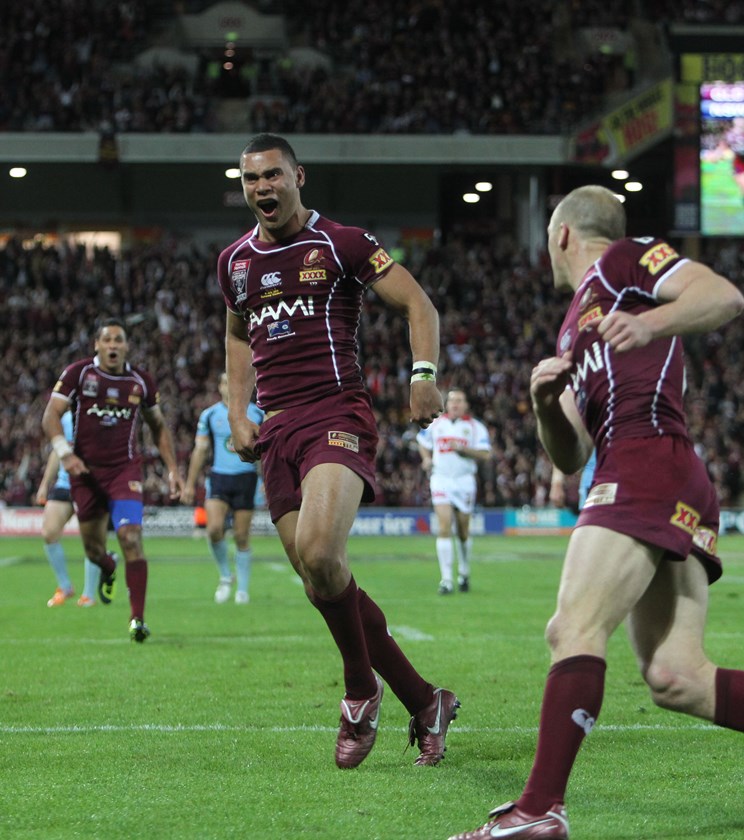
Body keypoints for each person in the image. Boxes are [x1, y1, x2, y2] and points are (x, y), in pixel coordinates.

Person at [449, 185, 744, 840]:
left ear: (561, 235)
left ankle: (538, 809)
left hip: (645, 461)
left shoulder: (622, 260)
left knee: (573, 627)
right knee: (677, 678)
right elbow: (569, 453)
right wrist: (543, 406)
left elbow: (723, 296)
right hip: (660, 471)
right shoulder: (574, 323)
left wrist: (652, 323)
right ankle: (540, 810)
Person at [218, 132, 459, 769]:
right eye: (251, 179)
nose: (262, 187)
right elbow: (237, 336)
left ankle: (359, 692)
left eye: (273, 175)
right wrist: (239, 411)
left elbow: (417, 302)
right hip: (277, 431)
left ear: (298, 177)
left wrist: (424, 374)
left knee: (322, 553)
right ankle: (425, 700)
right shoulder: (234, 262)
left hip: (335, 411)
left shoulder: (341, 242)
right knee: (320, 580)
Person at [41, 317, 184, 642]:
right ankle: (108, 566)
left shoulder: (140, 381)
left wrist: (173, 470)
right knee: (94, 551)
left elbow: (158, 426)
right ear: (97, 345)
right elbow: (50, 415)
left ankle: (137, 620)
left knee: (131, 537)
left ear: (127, 346)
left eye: (119, 340)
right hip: (85, 473)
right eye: (107, 340)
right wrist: (65, 454)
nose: (113, 345)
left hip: (124, 471)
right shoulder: (79, 374)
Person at [182, 372, 265, 604]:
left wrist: (267, 481)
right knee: (214, 529)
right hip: (219, 477)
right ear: (220, 387)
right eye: (226, 383)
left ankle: (243, 590)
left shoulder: (257, 414)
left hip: (246, 478)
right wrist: (189, 484)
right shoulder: (210, 415)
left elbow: (265, 452)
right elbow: (200, 450)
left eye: (234, 382)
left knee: (241, 536)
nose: (230, 387)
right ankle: (226, 576)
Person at [416, 388, 492, 594]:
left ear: (466, 405)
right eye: (452, 401)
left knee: (463, 531)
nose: (455, 404)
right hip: (440, 479)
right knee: (444, 527)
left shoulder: (476, 427)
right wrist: (426, 458)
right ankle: (446, 580)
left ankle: (464, 571)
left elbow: (486, 454)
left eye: (459, 400)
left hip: (464, 481)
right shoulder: (436, 424)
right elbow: (421, 441)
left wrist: (463, 450)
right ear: (446, 404)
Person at [35, 409, 101, 607]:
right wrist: (45, 484)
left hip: (91, 485)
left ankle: (88, 594)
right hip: (65, 484)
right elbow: (58, 450)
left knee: (92, 540)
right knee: (49, 532)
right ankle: (65, 587)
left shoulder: (99, 415)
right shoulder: (65, 418)